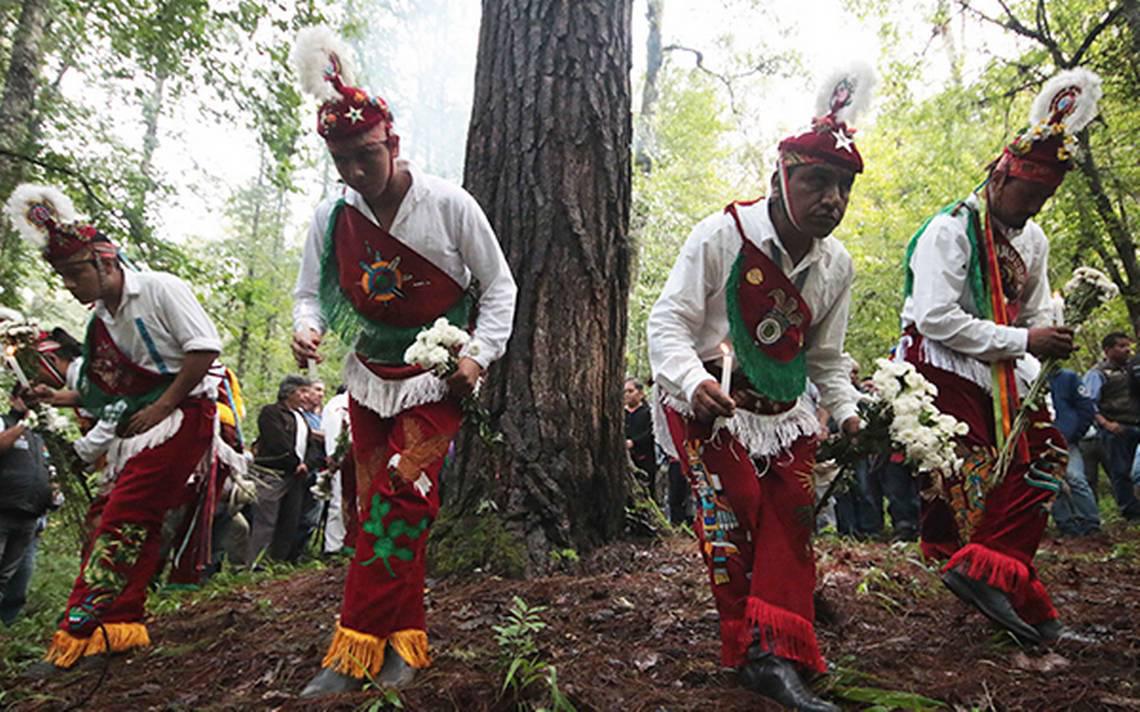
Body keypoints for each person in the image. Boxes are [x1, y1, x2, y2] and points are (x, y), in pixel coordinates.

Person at [289, 27, 517, 695]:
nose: (357, 173)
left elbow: (498, 286)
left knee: (401, 495)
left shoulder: (449, 204)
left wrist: (478, 354)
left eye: (366, 155)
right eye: (343, 161)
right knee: (370, 509)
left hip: (436, 380)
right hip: (365, 377)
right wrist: (308, 326)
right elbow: (310, 293)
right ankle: (405, 644)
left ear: (391, 142)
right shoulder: (333, 218)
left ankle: (350, 647)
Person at [648, 66, 873, 712]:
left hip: (787, 411)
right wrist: (692, 381)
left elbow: (826, 357)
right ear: (783, 175)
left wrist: (849, 413)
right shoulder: (723, 236)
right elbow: (668, 323)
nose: (832, 199)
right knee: (737, 511)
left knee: (794, 516)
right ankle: (756, 635)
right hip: (709, 405)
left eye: (844, 187)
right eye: (818, 181)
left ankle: (773, 652)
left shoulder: (837, 266)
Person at [896, 69, 1101, 644]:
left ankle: (994, 579)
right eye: (1027, 193)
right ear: (1001, 173)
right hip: (942, 363)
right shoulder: (950, 230)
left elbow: (1034, 310)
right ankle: (1030, 610)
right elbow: (935, 316)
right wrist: (1024, 341)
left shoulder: (1033, 240)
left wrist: (1048, 337)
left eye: (1044, 197)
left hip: (1007, 367)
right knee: (967, 488)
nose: (1033, 206)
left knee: (1045, 458)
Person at [6, 183, 222, 674]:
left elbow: (204, 350)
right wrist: (56, 396)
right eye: (61, 277)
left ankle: (76, 637)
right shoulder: (102, 318)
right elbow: (109, 387)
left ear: (106, 261)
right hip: (137, 421)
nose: (69, 285)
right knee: (113, 517)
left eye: (74, 272)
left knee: (123, 517)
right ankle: (119, 626)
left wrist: (165, 405)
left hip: (184, 415)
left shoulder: (162, 288)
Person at [247, 375, 313, 563]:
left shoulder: (301, 417)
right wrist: (294, 462)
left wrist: (307, 464)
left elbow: (310, 446)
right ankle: (255, 563)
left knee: (289, 521)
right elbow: (277, 441)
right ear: (288, 393)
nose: (306, 396)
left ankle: (276, 561)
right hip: (272, 474)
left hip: (296, 477)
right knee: (265, 521)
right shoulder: (271, 412)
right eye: (302, 391)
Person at [0, 387, 53, 618]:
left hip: (30, 515)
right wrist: (22, 423)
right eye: (24, 398)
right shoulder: (5, 422)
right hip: (4, 508)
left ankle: (7, 630)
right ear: (13, 399)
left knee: (7, 577)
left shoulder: (38, 436)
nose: (29, 403)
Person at [1084, 332, 1140, 520]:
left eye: (1128, 345)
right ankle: (1130, 512)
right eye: (1121, 346)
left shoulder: (1131, 369)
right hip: (1116, 428)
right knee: (1121, 471)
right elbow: (1089, 404)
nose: (1127, 349)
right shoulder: (1097, 373)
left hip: (1134, 424)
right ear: (1108, 350)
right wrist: (1107, 424)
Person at [1049, 367, 1101, 536]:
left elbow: (1085, 407)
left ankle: (1090, 521)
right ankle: (1066, 524)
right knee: (1052, 482)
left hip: (1067, 439)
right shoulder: (1022, 376)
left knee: (1075, 478)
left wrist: (1075, 432)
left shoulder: (1067, 377)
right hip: (1041, 440)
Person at [323, 385, 352, 554]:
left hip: (359, 459)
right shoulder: (338, 404)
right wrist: (335, 456)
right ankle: (334, 546)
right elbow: (333, 433)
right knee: (338, 501)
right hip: (343, 459)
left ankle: (351, 541)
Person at [624, 378, 655, 490]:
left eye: (630, 391)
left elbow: (652, 432)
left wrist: (634, 442)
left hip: (645, 459)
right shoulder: (621, 413)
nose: (627, 394)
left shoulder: (649, 412)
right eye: (625, 392)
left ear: (641, 393)